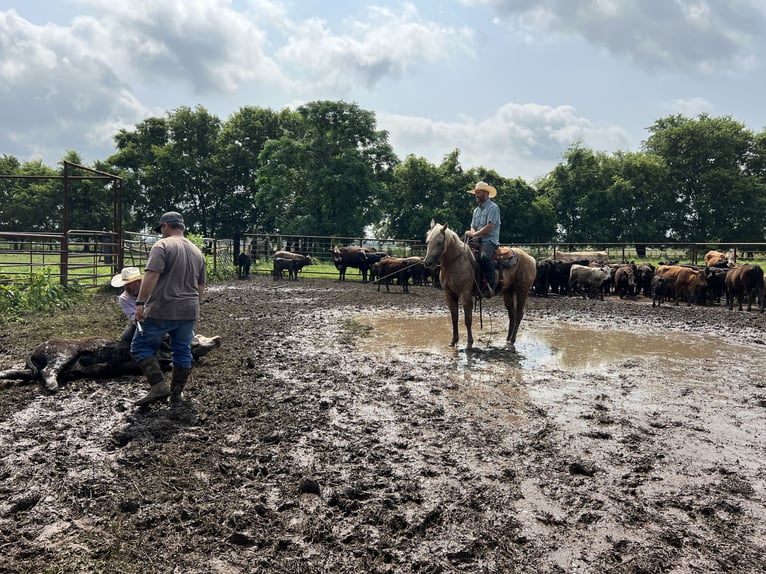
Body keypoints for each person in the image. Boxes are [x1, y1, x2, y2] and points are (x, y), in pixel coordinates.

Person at [132, 211, 206, 406]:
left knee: (140, 346)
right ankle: (176, 393)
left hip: (164, 306)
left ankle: (158, 387)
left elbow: (152, 275)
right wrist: (195, 308)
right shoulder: (197, 252)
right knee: (182, 350)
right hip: (189, 309)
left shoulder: (162, 245)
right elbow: (201, 287)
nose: (161, 232)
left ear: (165, 226)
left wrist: (140, 303)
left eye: (161, 229)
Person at [465, 181, 501, 298]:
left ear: (486, 193)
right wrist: (472, 233)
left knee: (484, 257)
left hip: (489, 241)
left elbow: (490, 227)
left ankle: (491, 285)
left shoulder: (493, 208)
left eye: (479, 192)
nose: (476, 195)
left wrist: (474, 235)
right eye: (476, 193)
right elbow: (473, 225)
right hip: (477, 239)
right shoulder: (476, 210)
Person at [111, 267, 143, 342]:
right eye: (125, 284)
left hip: (159, 319)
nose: (126, 287)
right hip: (140, 322)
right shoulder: (124, 298)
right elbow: (133, 318)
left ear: (138, 282)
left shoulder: (152, 291)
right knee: (126, 337)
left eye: (129, 284)